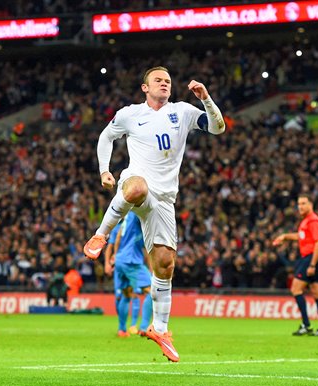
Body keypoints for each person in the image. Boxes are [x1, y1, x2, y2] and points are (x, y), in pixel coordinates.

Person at [83, 66, 226, 362]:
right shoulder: (129, 114)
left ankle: (160, 328)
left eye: (168, 81)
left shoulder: (183, 111)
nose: (164, 84)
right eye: (158, 80)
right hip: (137, 181)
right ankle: (101, 234)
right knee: (135, 189)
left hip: (164, 199)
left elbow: (218, 127)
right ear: (144, 87)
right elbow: (105, 137)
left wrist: (206, 98)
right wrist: (105, 170)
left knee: (164, 264)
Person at [272, 194, 318, 336]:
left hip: (312, 257)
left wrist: (312, 265)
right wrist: (285, 236)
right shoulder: (306, 221)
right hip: (315, 257)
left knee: (296, 288)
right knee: (317, 291)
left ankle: (306, 324)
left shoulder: (313, 221)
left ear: (311, 205)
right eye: (299, 204)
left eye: (304, 203)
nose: (300, 207)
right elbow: (301, 236)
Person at [104, 212, 153, 338]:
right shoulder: (137, 214)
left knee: (126, 294)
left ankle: (122, 330)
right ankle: (144, 327)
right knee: (153, 292)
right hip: (131, 260)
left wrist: (116, 254)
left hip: (120, 260)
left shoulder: (126, 219)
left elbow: (119, 236)